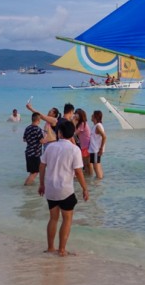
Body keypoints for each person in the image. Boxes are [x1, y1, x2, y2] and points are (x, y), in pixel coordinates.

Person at [38, 121, 89, 256]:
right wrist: (85, 188)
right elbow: (78, 172)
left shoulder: (50, 147)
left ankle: (50, 247)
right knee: (67, 219)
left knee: (53, 218)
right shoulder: (74, 149)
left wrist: (41, 184)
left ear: (60, 133)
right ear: (72, 133)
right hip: (65, 189)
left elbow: (42, 166)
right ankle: (61, 249)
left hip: (50, 189)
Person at [23, 112, 44, 185]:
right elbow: (42, 141)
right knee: (35, 172)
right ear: (39, 120)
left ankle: (28, 188)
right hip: (35, 154)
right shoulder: (38, 129)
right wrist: (48, 138)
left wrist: (32, 140)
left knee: (32, 172)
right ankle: (26, 187)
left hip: (28, 152)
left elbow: (24, 139)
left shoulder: (27, 128)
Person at [73, 108, 93, 175]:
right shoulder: (80, 123)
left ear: (80, 116)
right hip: (84, 146)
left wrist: (73, 121)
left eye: (76, 114)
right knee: (85, 164)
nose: (75, 115)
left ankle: (90, 175)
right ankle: (88, 177)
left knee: (88, 163)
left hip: (87, 146)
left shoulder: (82, 123)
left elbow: (74, 133)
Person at [89, 110, 107, 179]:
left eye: (92, 115)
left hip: (96, 150)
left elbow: (104, 136)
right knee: (97, 166)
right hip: (94, 149)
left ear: (95, 117)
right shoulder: (96, 126)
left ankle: (98, 184)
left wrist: (101, 148)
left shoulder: (98, 126)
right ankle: (100, 182)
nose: (91, 116)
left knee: (96, 167)